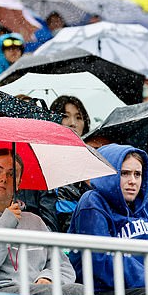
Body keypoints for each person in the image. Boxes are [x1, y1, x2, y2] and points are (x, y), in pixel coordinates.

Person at [0, 148, 84, 295]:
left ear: (19, 183)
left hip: (38, 294)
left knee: (80, 292)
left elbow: (63, 266)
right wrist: (5, 224)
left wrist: (47, 277)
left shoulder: (35, 222)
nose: (4, 178)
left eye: (12, 174)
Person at [68, 144, 148, 295]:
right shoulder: (92, 202)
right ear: (109, 174)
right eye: (124, 173)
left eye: (137, 174)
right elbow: (103, 262)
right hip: (102, 293)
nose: (132, 181)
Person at [48, 95, 92, 231]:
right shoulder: (45, 158)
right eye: (65, 116)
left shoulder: (92, 160)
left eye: (78, 117)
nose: (73, 123)